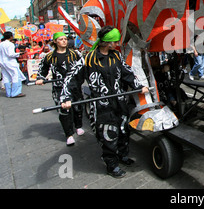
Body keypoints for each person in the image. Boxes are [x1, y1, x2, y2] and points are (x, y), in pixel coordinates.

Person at [60, 26, 149, 178]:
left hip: (120, 101)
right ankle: (111, 164)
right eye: (114, 42)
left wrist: (139, 86)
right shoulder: (88, 59)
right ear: (106, 42)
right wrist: (66, 98)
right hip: (102, 105)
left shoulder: (117, 56)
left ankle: (122, 155)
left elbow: (127, 73)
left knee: (123, 130)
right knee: (108, 135)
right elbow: (71, 78)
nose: (116, 44)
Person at [36, 32, 84, 147]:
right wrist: (40, 78)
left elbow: (83, 66)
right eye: (61, 39)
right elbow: (43, 68)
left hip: (74, 86)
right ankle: (69, 134)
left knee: (77, 107)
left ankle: (78, 126)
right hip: (59, 87)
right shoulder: (49, 56)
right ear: (55, 41)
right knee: (64, 110)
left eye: (65, 39)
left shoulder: (75, 54)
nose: (64, 41)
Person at [0, 32, 26, 98]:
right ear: (10, 37)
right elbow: (10, 54)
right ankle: (16, 92)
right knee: (15, 76)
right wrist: (19, 54)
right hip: (10, 62)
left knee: (6, 77)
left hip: (2, 62)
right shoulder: (10, 44)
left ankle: (9, 93)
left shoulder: (0, 44)